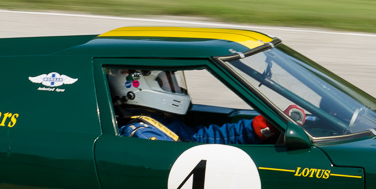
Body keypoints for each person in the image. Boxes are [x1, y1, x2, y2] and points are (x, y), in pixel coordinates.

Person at [109, 68, 275, 145]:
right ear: (139, 88)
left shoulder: (162, 121)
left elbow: (204, 138)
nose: (176, 88)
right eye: (168, 81)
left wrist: (257, 128)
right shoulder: (142, 133)